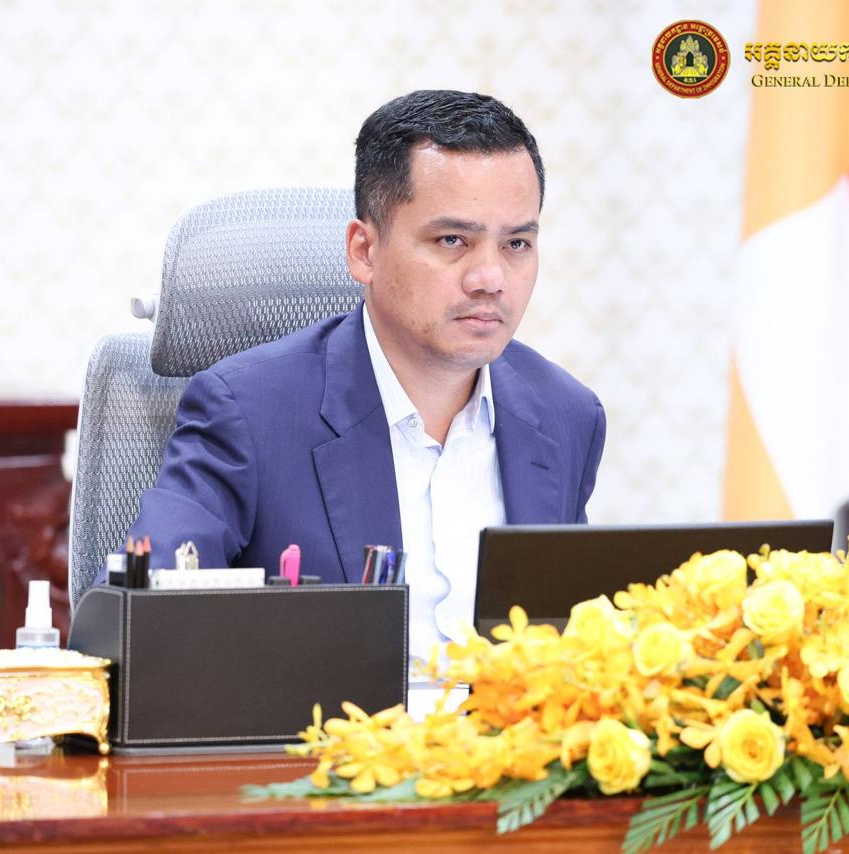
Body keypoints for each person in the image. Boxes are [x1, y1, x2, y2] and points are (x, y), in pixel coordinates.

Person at [131, 90, 606, 657]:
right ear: (364, 250)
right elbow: (153, 623)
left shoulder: (565, 415)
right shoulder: (247, 412)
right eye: (452, 240)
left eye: (517, 243)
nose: (490, 278)